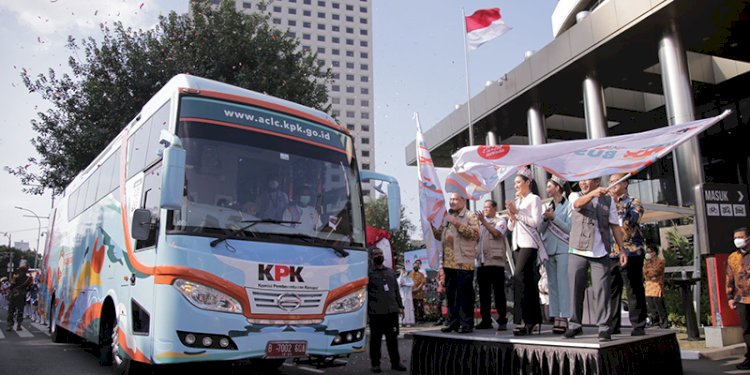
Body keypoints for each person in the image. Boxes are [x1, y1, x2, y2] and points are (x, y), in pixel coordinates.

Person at [564, 177, 627, 342]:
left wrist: (622, 249)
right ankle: (574, 325)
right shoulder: (574, 195)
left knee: (602, 290)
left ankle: (604, 327)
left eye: (588, 180)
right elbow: (578, 205)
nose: (583, 183)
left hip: (601, 251)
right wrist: (592, 194)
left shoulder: (609, 200)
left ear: (597, 181)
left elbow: (614, 225)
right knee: (575, 289)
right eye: (581, 180)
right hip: (577, 249)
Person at [432, 193, 480, 334]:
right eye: (451, 199)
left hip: (464, 261)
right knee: (451, 294)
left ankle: (466, 323)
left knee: (465, 294)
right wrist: (430, 224)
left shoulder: (470, 216)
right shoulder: (448, 218)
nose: (452, 202)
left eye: (455, 199)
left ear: (463, 200)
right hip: (449, 263)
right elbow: (440, 235)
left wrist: (457, 223)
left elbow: (475, 235)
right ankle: (453, 322)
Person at [607, 173, 648, 336]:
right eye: (610, 182)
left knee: (633, 288)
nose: (612, 185)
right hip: (611, 253)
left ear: (625, 183)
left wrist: (617, 206)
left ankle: (638, 325)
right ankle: (612, 325)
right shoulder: (607, 203)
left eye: (616, 181)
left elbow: (631, 221)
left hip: (631, 252)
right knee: (612, 290)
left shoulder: (633, 201)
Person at [507, 167, 544, 336]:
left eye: (518, 182)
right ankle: (533, 320)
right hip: (517, 244)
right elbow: (510, 226)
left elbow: (536, 222)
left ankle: (522, 319)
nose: (516, 186)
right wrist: (512, 216)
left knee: (519, 278)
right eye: (514, 183)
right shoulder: (519, 201)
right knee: (528, 281)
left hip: (529, 243)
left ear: (528, 182)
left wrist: (518, 213)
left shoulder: (534, 199)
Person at [539, 176, 572, 334]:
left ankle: (564, 316)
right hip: (549, 248)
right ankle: (555, 316)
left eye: (550, 185)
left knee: (563, 283)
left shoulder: (569, 206)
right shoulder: (547, 206)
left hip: (563, 246)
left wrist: (554, 218)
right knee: (552, 284)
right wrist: (546, 219)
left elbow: (568, 228)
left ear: (558, 187)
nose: (547, 188)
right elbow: (540, 229)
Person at [367, 248, 407, 373]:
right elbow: (365, 294)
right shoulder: (368, 274)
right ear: (371, 257)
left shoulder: (390, 272)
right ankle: (375, 364)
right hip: (376, 313)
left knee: (393, 339)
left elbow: (396, 291)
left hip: (392, 312)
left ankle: (395, 363)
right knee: (375, 340)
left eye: (380, 254)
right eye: (376, 254)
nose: (379, 256)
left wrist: (400, 307)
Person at [475, 199, 510, 331]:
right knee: (484, 293)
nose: (485, 210)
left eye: (488, 207)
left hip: (495, 262)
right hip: (482, 262)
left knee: (498, 292)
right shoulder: (480, 225)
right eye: (484, 208)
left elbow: (496, 233)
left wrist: (483, 221)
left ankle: (502, 319)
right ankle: (486, 320)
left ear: (494, 208)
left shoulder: (500, 221)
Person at [727, 227, 750, 370]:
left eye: (740, 237)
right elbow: (729, 278)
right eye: (735, 237)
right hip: (741, 299)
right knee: (747, 330)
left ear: (748, 238)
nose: (737, 240)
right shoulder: (733, 257)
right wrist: (730, 296)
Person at [643, 244, 669, 329]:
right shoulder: (647, 263)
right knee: (651, 305)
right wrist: (649, 273)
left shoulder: (660, 261)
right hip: (649, 286)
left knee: (659, 304)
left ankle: (664, 322)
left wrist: (650, 273)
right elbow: (644, 272)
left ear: (654, 252)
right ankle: (655, 322)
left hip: (657, 285)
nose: (648, 253)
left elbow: (657, 271)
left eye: (650, 252)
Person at [6, 264, 32, 331]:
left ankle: (10, 326)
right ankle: (19, 326)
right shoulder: (28, 278)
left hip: (14, 295)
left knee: (11, 310)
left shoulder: (15, 276)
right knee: (20, 311)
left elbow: (12, 286)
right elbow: (29, 288)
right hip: (22, 295)